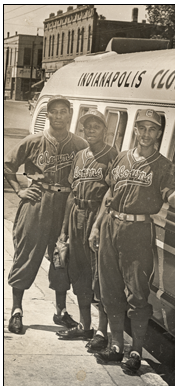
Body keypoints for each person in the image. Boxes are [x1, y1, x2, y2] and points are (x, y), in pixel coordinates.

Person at [88, 109, 175, 371]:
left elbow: (171, 200)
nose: (146, 134)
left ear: (159, 134)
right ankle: (116, 346)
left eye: (152, 129)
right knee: (109, 288)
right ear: (136, 130)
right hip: (110, 224)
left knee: (138, 293)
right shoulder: (121, 158)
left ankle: (136, 351)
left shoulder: (164, 166)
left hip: (138, 230)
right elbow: (109, 193)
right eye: (142, 128)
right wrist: (96, 227)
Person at [4, 95, 88, 334]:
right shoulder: (33, 141)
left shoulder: (79, 145)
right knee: (26, 253)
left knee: (62, 255)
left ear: (70, 115)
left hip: (66, 204)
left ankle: (60, 311)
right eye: (54, 112)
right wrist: (20, 189)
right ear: (48, 115)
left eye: (63, 112)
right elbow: (8, 164)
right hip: (38, 200)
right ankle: (17, 310)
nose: (59, 116)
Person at [56, 110, 118, 351]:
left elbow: (111, 194)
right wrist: (64, 231)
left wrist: (97, 226)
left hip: (97, 217)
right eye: (87, 126)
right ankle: (84, 325)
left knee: (99, 276)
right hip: (77, 215)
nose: (91, 130)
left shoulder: (112, 155)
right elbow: (72, 194)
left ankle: (102, 331)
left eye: (96, 126)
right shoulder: (80, 155)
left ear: (105, 130)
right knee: (79, 272)